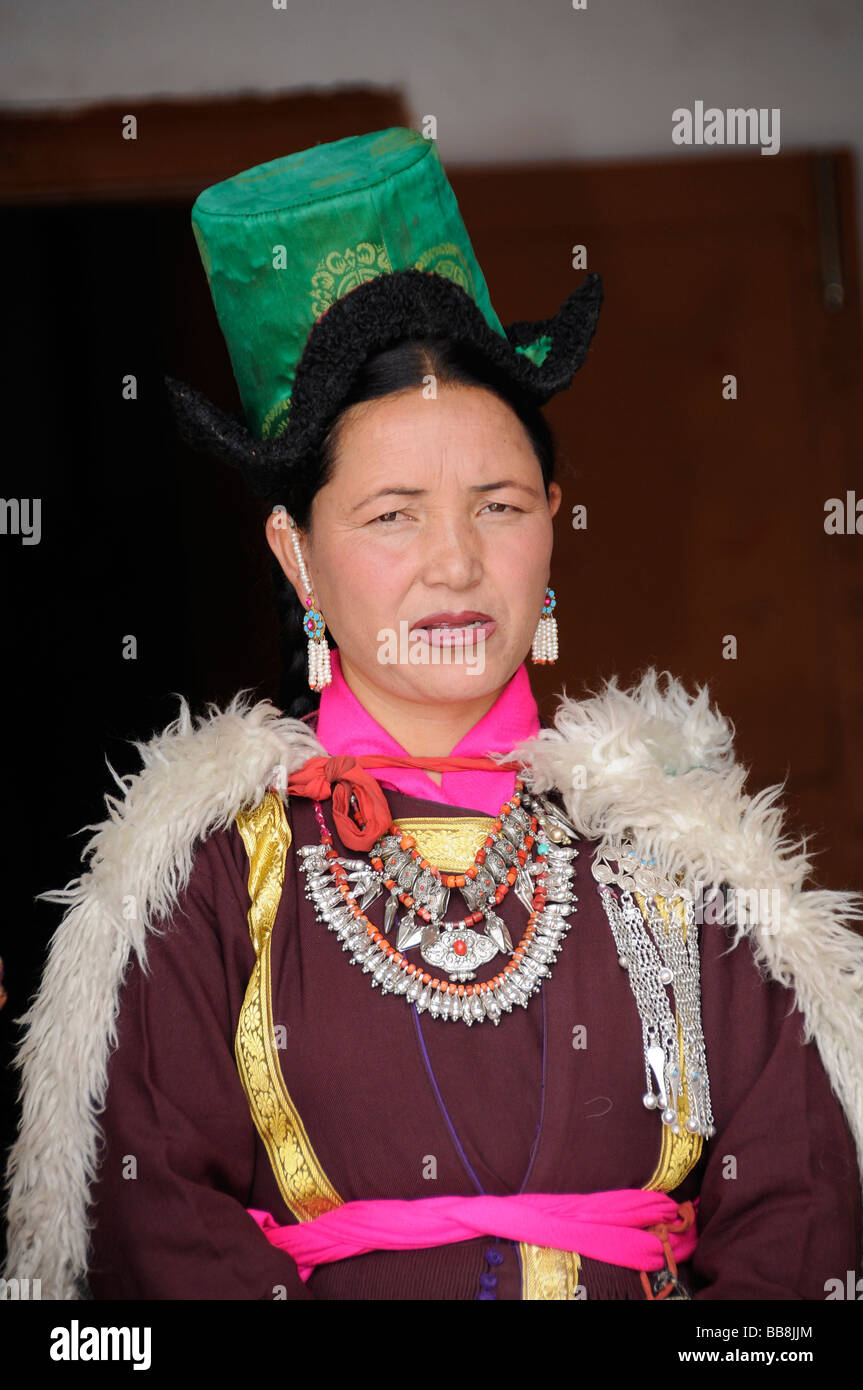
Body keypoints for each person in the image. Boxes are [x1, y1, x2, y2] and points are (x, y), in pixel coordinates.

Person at [3, 127, 862, 1302]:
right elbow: (158, 1234)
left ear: (552, 521)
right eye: (392, 515)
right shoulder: (204, 882)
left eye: (498, 504)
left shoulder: (686, 861)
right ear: (296, 555)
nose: (456, 566)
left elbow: (799, 1216)